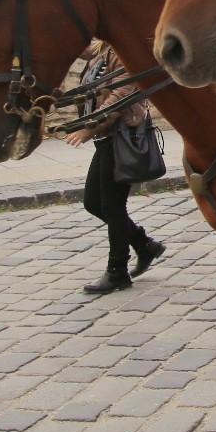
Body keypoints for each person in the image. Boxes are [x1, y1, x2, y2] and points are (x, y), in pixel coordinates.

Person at [63, 43, 166, 294]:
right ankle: (143, 245)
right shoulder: (104, 50)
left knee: (112, 206)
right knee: (93, 203)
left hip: (120, 138)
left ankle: (118, 270)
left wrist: (88, 128)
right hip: (106, 139)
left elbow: (119, 98)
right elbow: (86, 52)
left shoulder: (124, 54)